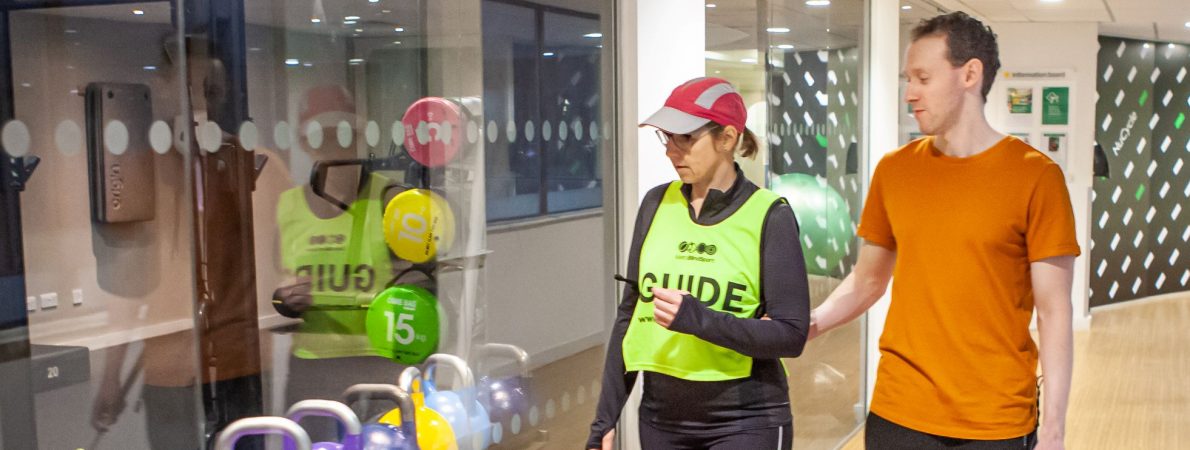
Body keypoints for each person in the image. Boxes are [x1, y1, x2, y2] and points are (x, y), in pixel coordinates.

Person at [808, 12, 1079, 450]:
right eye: (907, 79)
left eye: (922, 78)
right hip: (899, 410)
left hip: (995, 419)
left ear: (970, 74)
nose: (909, 93)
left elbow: (1054, 311)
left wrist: (1054, 430)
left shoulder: (1036, 177)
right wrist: (810, 324)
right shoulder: (894, 171)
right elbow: (868, 279)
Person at [587, 77, 811, 450]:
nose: (672, 152)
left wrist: (700, 319)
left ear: (726, 138)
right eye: (667, 138)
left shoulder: (770, 216)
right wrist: (605, 420)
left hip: (746, 421)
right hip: (661, 419)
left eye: (685, 138)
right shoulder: (656, 204)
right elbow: (630, 316)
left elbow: (791, 334)